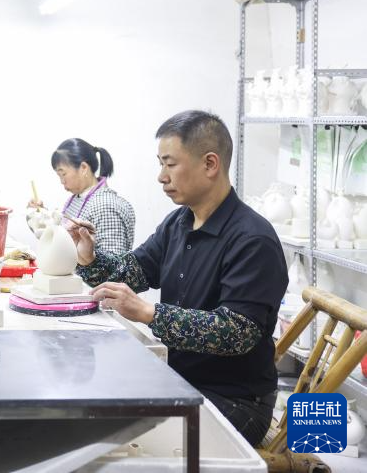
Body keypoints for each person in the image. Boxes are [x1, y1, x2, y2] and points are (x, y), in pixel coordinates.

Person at [69, 110, 288, 446]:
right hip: (181, 378)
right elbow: (133, 270)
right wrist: (89, 257)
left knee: (119, 430)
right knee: (94, 398)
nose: (161, 176)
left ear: (210, 164)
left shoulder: (252, 239)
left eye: (170, 164)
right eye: (161, 164)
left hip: (235, 401)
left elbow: (237, 332)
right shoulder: (178, 223)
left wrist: (149, 313)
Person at [28, 139, 135, 256]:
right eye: (59, 176)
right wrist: (41, 214)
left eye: (63, 174)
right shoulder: (77, 198)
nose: (62, 181)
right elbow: (63, 239)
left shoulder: (106, 207)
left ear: (83, 168)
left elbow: (112, 264)